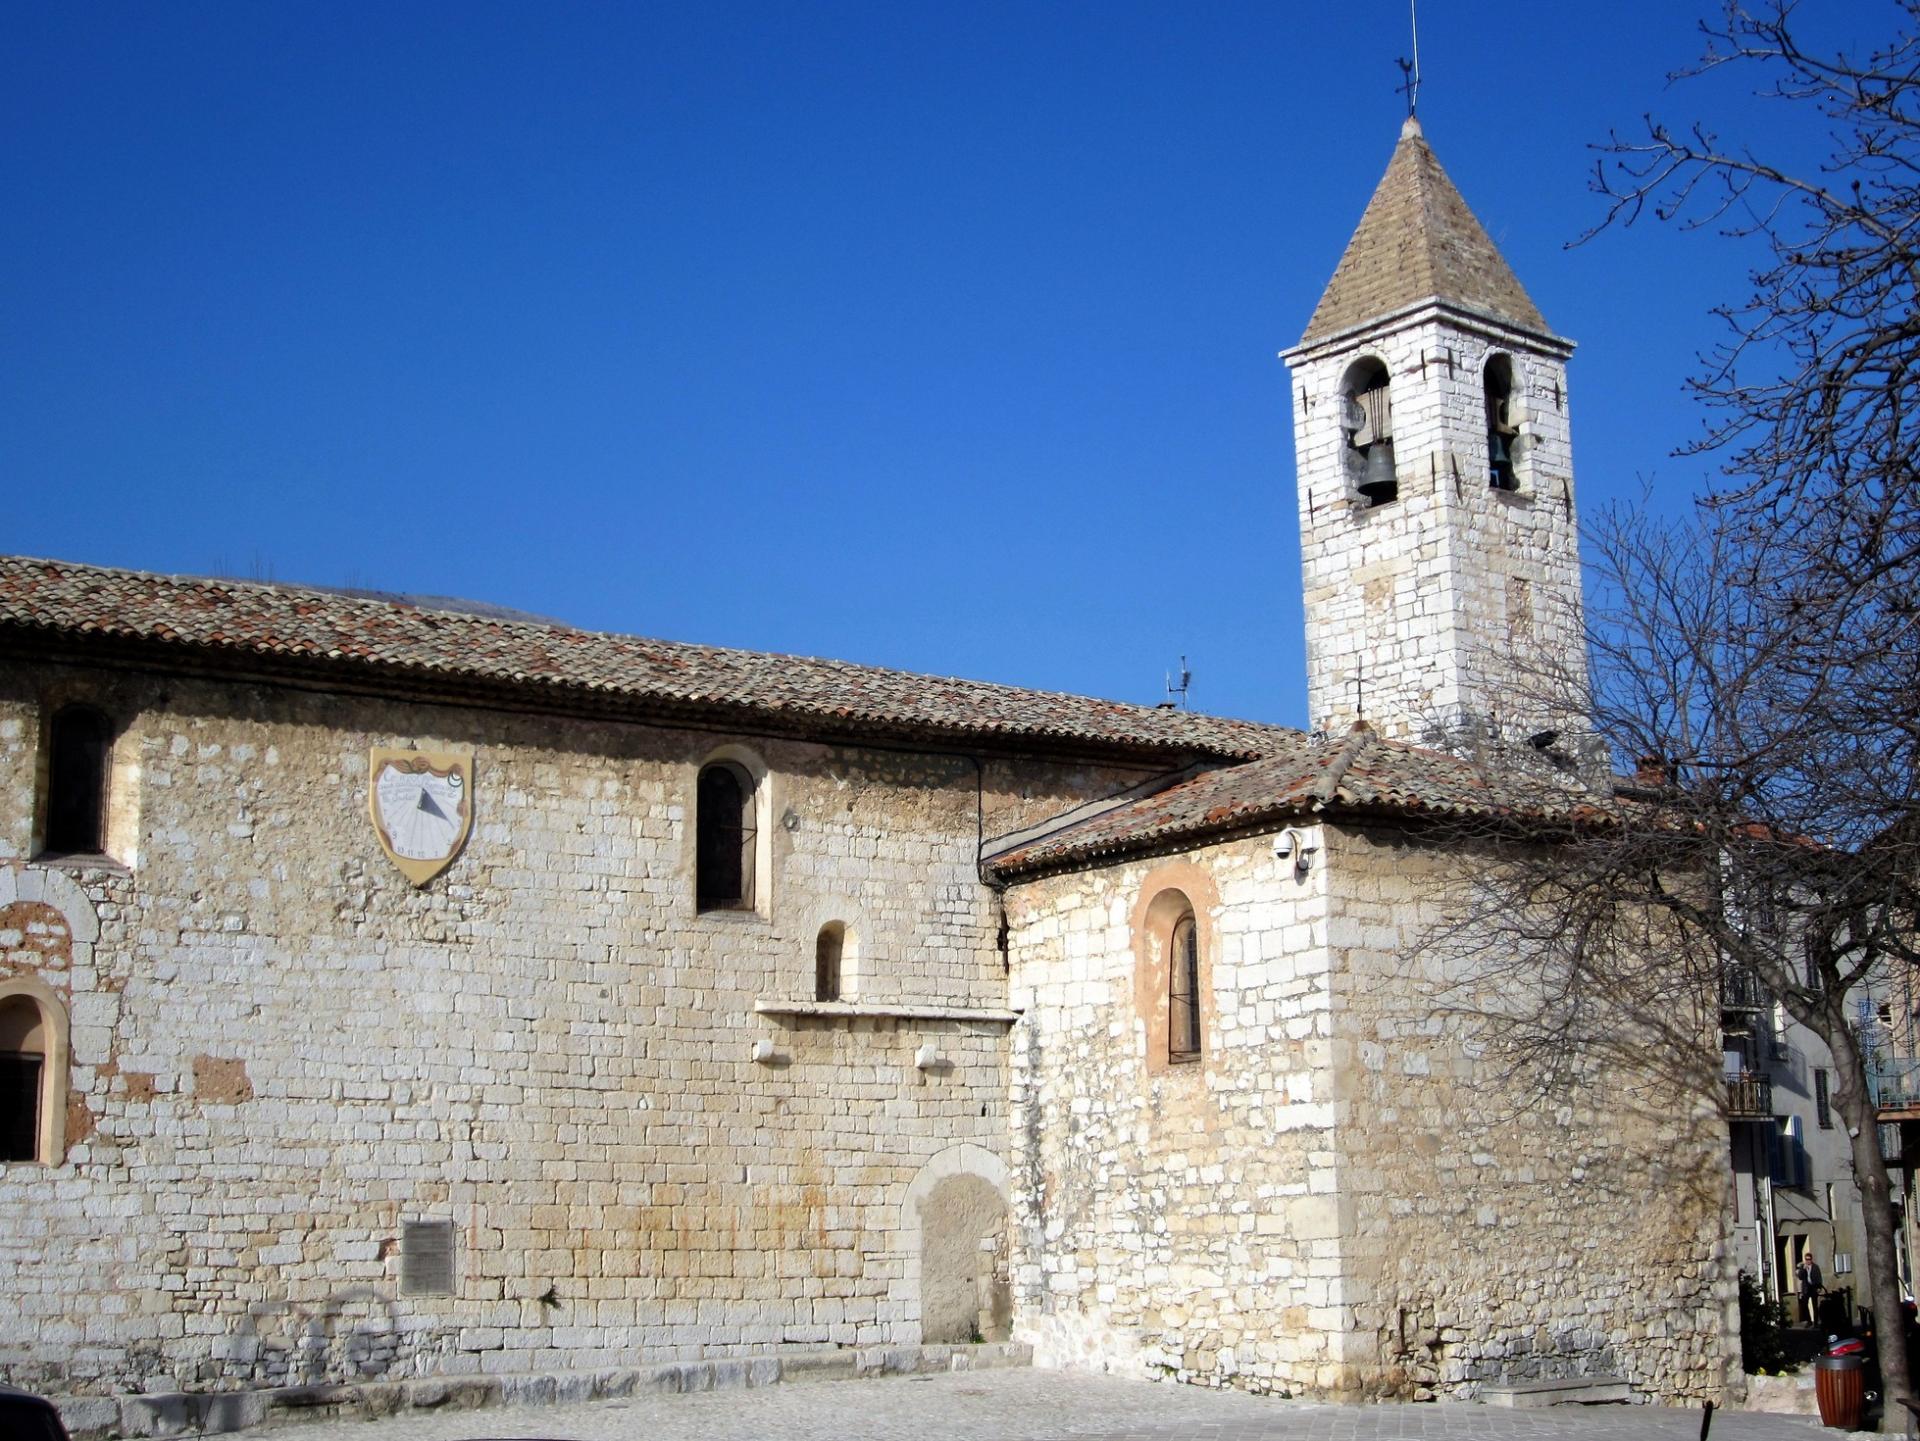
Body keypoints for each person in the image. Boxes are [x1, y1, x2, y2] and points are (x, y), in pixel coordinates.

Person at [1797, 1254, 1823, 1326]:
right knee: (1805, 1305)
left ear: (1811, 1259)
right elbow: (1800, 1277)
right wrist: (1803, 1269)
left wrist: (1819, 1287)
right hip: (1806, 1288)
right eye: (1807, 1259)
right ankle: (1809, 1321)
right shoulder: (1803, 1267)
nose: (1808, 1261)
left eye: (1809, 1259)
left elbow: (1819, 1277)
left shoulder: (1815, 1267)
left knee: (1815, 1305)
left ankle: (1816, 1322)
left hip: (1813, 1287)